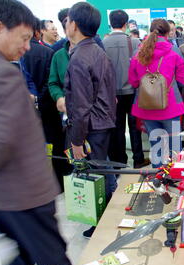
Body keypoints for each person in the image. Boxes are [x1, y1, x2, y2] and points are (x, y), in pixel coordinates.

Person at [0, 0, 72, 265]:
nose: (27, 47)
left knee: (16, 260)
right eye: (23, 38)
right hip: (25, 192)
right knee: (53, 261)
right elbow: (1, 139)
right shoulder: (2, 73)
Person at [64, 2, 117, 239]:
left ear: (73, 24)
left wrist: (76, 140)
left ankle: (103, 221)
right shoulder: (97, 51)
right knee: (102, 169)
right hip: (103, 121)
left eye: (67, 21)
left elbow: (81, 105)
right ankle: (108, 216)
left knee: (95, 172)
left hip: (92, 125)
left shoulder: (79, 57)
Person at [129, 18, 184, 168]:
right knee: (175, 148)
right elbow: (183, 80)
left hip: (146, 107)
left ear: (150, 31)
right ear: (168, 33)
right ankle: (175, 182)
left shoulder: (139, 52)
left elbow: (134, 82)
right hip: (171, 106)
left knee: (156, 147)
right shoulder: (174, 50)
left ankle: (158, 181)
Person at [22, 17, 68, 191]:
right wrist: (39, 98)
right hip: (48, 108)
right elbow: (50, 83)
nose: (55, 31)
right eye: (52, 28)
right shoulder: (49, 53)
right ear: (38, 31)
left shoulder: (17, 53)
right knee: (55, 144)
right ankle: (58, 183)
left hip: (29, 108)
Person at [103, 10, 150, 169]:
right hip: (132, 92)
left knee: (117, 129)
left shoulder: (103, 44)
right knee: (135, 127)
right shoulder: (135, 43)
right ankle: (138, 159)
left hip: (111, 94)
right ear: (126, 24)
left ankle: (120, 162)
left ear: (110, 23)